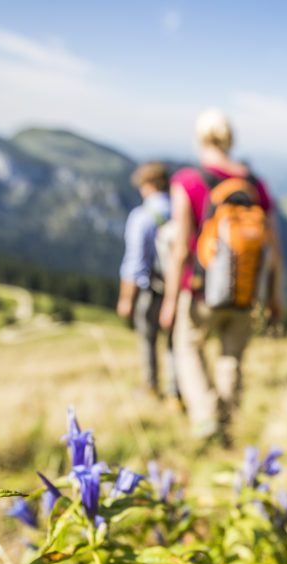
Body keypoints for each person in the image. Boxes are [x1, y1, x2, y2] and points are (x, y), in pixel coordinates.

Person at [159, 109, 284, 441]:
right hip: (246, 290)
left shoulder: (187, 181)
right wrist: (273, 296)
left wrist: (170, 301)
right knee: (232, 357)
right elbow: (273, 249)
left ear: (200, 139)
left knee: (187, 347)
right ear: (231, 140)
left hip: (201, 291)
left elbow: (181, 249)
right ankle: (227, 423)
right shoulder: (255, 185)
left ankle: (204, 416)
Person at [117, 162, 177, 398]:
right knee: (174, 340)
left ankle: (151, 385)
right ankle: (176, 391)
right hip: (180, 288)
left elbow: (134, 262)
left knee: (148, 336)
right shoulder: (181, 210)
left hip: (153, 288)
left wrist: (126, 299)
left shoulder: (142, 216)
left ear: (148, 185)